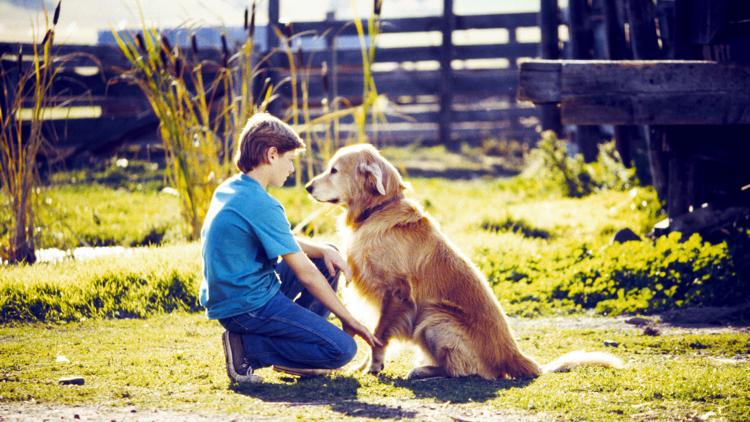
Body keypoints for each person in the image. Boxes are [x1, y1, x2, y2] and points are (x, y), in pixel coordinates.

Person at [199, 113, 380, 384]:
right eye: (290, 160)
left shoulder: (233, 188)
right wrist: (349, 318)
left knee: (324, 255)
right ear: (272, 154)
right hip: (247, 307)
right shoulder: (262, 203)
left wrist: (322, 250)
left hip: (235, 298)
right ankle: (247, 349)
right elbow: (305, 273)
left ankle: (297, 350)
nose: (292, 169)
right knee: (342, 349)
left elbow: (283, 240)